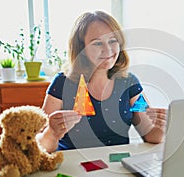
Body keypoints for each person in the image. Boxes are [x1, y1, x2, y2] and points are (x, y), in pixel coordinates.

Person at [36, 11, 167, 153]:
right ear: (82, 49)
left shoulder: (129, 83)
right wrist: (52, 132)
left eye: (112, 41)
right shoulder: (62, 83)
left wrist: (162, 128)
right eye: (97, 43)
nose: (108, 49)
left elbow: (150, 135)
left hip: (116, 165)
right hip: (73, 167)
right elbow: (41, 147)